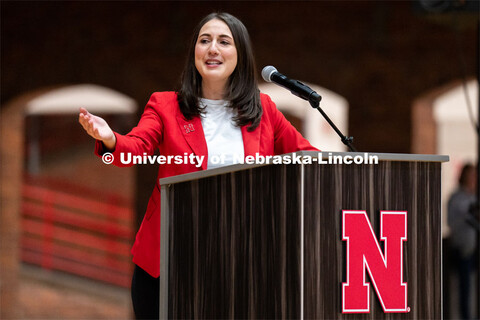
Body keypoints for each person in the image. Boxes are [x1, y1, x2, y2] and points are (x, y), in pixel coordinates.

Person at [79, 12, 317, 319]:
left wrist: (354, 164)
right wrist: (110, 137)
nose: (212, 48)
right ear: (195, 53)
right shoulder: (165, 106)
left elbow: (309, 157)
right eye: (204, 41)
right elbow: (134, 150)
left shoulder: (264, 110)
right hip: (170, 262)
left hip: (240, 264)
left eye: (223, 41)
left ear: (240, 54)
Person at [447, 163, 479, 320]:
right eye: (471, 174)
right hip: (462, 251)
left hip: (474, 252)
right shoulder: (457, 198)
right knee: (462, 292)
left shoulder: (474, 197)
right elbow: (452, 222)